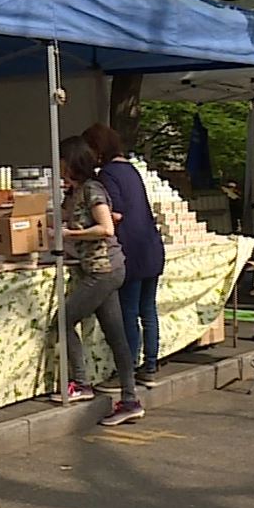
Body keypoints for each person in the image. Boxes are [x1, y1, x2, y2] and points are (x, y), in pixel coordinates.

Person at [51, 136, 144, 426]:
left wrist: (71, 235)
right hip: (100, 270)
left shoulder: (93, 190)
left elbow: (105, 228)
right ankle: (130, 400)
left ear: (72, 161)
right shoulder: (76, 192)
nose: (59, 166)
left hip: (103, 270)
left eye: (62, 161)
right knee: (115, 335)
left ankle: (80, 383)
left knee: (62, 321)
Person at [82, 123, 165, 391]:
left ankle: (126, 369)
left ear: (97, 149)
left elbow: (115, 214)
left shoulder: (107, 174)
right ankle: (150, 367)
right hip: (151, 246)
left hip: (130, 249)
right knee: (148, 310)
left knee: (129, 311)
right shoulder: (131, 169)